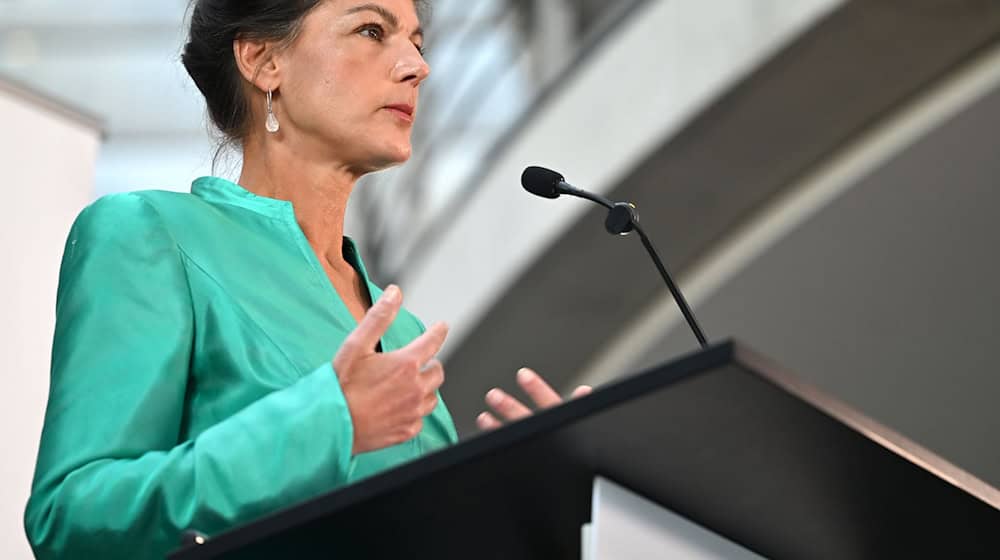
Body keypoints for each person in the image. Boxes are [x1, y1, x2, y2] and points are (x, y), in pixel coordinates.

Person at [23, 1, 590, 558]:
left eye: (418, 42)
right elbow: (73, 517)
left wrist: (533, 498)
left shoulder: (403, 329)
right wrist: (326, 424)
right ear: (263, 60)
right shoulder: (150, 233)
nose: (418, 66)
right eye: (372, 30)